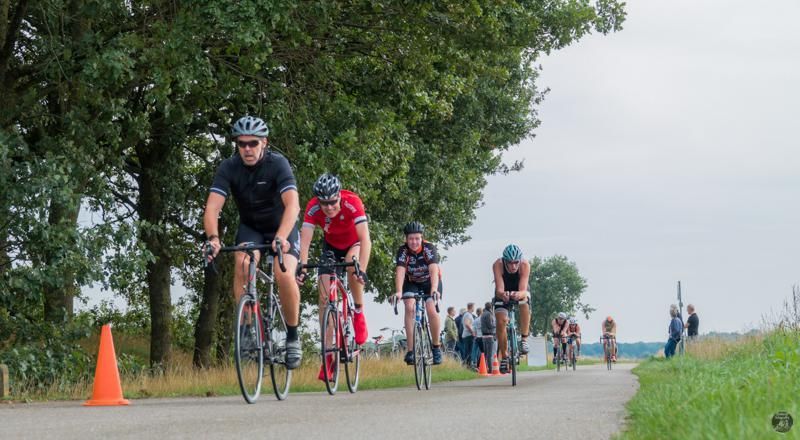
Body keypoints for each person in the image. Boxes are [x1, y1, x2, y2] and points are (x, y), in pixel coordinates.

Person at [204, 115, 303, 369]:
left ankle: (292, 336)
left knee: (284, 274)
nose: (247, 149)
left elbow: (293, 205)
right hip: (252, 228)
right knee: (241, 262)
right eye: (241, 144)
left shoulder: (278, 164)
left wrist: (281, 236)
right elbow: (213, 208)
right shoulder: (229, 167)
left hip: (282, 227)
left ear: (264, 143)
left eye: (253, 143)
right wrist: (213, 239)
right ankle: (248, 329)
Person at [297, 173, 372, 380]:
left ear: (339, 196)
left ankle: (358, 310)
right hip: (330, 248)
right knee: (323, 298)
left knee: (352, 267)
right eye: (324, 203)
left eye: (332, 202)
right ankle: (328, 357)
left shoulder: (352, 202)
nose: (328, 207)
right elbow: (305, 241)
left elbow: (366, 239)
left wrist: (362, 270)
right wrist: (302, 267)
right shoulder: (313, 207)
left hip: (353, 244)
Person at [392, 221, 443, 365]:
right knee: (409, 307)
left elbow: (434, 270)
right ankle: (411, 350)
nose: (414, 242)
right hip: (412, 282)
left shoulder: (429, 248)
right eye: (410, 239)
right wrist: (399, 291)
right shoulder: (403, 251)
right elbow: (400, 272)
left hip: (430, 282)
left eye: (417, 238)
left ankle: (436, 347)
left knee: (431, 309)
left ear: (422, 238)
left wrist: (434, 289)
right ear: (406, 239)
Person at [492, 244, 532, 374]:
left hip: (520, 289)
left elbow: (523, 289)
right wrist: (503, 295)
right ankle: (504, 355)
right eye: (510, 263)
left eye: (516, 262)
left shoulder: (525, 265)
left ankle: (524, 338)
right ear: (505, 261)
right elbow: (499, 289)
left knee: (524, 302)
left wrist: (517, 295)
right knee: (501, 320)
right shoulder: (498, 265)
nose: (514, 266)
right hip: (503, 289)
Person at [480, 302, 496, 372]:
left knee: (486, 354)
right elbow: (490, 325)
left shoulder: (482, 314)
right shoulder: (489, 314)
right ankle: (490, 369)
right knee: (490, 354)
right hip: (489, 335)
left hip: (483, 336)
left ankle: (486, 368)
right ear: (490, 307)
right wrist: (496, 324)